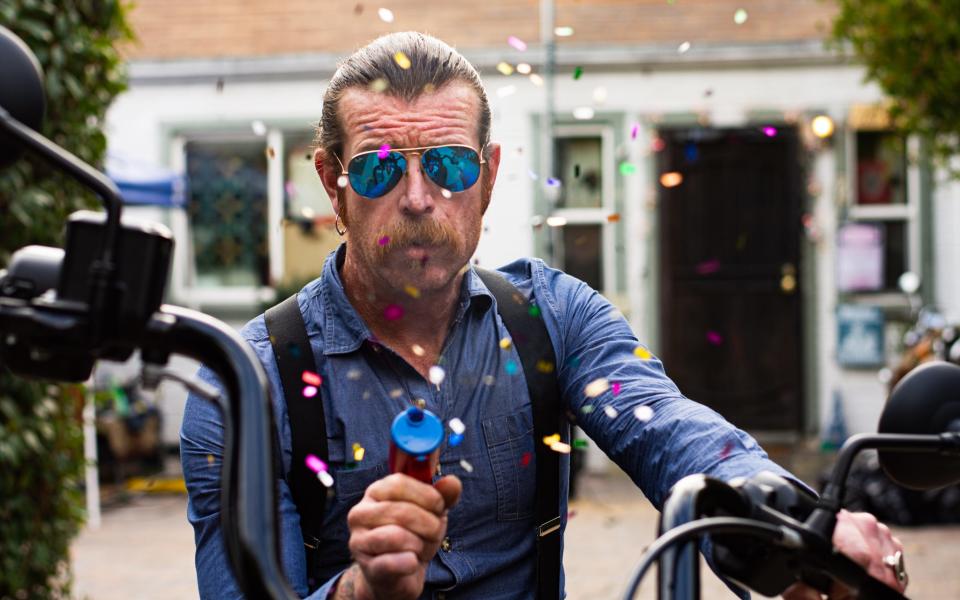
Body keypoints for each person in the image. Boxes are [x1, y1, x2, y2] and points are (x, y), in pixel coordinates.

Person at [181, 32, 907, 600]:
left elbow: (674, 434)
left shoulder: (549, 319)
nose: (416, 197)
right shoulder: (245, 384)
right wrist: (364, 590)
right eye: (377, 168)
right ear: (331, 185)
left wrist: (799, 530)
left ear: (490, 178)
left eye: (449, 165)